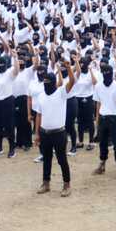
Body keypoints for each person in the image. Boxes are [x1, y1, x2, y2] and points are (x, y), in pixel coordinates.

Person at [34, 62, 76, 196]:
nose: (46, 84)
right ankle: (46, 183)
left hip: (59, 133)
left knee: (61, 159)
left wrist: (69, 68)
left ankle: (67, 184)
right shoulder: (41, 96)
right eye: (44, 81)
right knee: (46, 159)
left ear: (53, 82)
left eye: (48, 82)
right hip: (45, 132)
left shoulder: (61, 92)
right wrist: (37, 133)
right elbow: (39, 115)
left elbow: (72, 81)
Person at [91, 61, 116, 178]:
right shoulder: (98, 86)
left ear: (111, 73)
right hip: (103, 117)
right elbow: (98, 104)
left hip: (114, 118)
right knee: (103, 143)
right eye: (104, 73)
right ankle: (102, 164)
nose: (106, 75)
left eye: (108, 73)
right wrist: (97, 120)